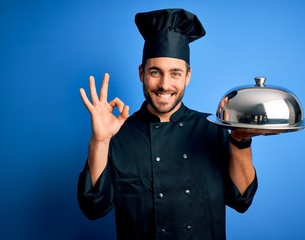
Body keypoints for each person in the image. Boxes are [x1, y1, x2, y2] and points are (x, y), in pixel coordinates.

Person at [77, 8, 258, 240]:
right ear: (141, 73)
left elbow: (242, 199)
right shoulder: (118, 133)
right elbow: (93, 207)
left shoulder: (214, 128)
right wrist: (99, 141)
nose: (165, 85)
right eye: (155, 72)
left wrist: (240, 141)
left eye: (175, 73)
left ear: (188, 76)